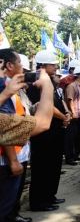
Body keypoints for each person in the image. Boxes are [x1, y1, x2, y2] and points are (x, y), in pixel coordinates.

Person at [26, 50, 71, 212]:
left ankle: (49, 195)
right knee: (42, 167)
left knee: (53, 165)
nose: (55, 67)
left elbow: (58, 101)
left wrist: (66, 114)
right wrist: (63, 117)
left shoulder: (50, 81)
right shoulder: (37, 82)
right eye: (52, 64)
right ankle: (39, 201)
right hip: (43, 132)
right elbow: (46, 107)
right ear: (43, 65)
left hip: (55, 130)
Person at [0, 49, 33, 222]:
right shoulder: (3, 88)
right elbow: (4, 127)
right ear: (9, 65)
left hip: (19, 149)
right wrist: (13, 160)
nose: (23, 67)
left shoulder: (11, 87)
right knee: (5, 203)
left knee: (13, 197)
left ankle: (14, 215)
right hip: (9, 155)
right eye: (19, 62)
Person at [63, 66, 80, 166]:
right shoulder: (72, 86)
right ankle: (69, 157)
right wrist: (73, 113)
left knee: (78, 137)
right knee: (70, 138)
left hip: (79, 116)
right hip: (73, 116)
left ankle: (76, 154)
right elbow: (70, 100)